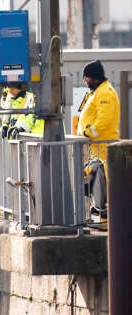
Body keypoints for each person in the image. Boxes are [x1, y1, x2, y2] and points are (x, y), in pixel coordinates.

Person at [74, 60, 121, 218]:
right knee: (96, 181)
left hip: (103, 145)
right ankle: (101, 211)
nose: (85, 81)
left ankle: (104, 215)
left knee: (104, 182)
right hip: (97, 147)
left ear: (94, 77)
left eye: (86, 78)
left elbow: (104, 119)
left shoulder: (105, 92)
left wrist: (88, 133)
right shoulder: (98, 91)